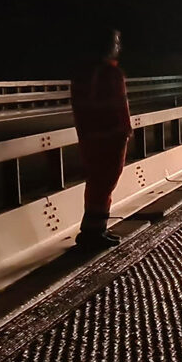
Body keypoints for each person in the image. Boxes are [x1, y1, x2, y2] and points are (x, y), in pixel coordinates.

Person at [70, 28, 132, 247]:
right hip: (111, 137)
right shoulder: (111, 73)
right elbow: (119, 107)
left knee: (96, 182)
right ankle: (93, 232)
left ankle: (95, 228)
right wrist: (125, 132)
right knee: (105, 183)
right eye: (116, 42)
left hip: (89, 136)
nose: (118, 46)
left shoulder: (81, 74)